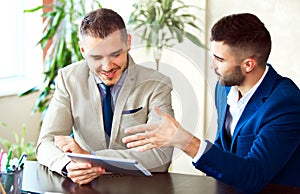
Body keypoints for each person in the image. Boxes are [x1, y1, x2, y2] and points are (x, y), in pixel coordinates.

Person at [122, 13, 300, 193]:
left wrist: (185, 141)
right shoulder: (224, 88)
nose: (212, 66)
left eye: (220, 60)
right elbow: (223, 151)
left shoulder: (286, 104)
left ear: (248, 65)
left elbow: (253, 176)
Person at [36, 8, 174, 185]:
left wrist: (92, 158)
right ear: (83, 50)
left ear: (128, 42)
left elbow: (161, 155)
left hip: (139, 187)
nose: (107, 67)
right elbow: (46, 141)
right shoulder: (68, 78)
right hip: (86, 187)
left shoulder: (157, 84)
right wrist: (68, 165)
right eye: (96, 57)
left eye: (115, 54)